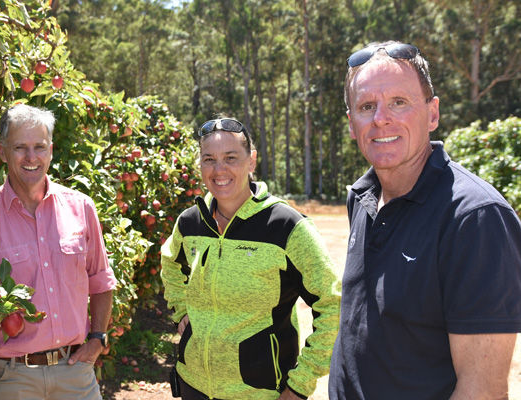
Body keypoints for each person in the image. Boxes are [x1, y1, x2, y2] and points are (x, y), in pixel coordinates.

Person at [328, 41, 521, 399]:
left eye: (399, 102)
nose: (381, 118)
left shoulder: (475, 218)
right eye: (366, 106)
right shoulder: (361, 197)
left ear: (432, 114)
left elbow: (482, 390)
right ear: (352, 124)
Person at [160, 117, 341, 400]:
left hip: (260, 392)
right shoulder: (191, 222)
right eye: (209, 159)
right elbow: (170, 262)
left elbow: (334, 305)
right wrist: (181, 310)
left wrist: (300, 385)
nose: (219, 170)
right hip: (192, 384)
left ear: (251, 161)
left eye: (230, 157)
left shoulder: (286, 227)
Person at [0, 104, 116, 400]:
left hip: (75, 372)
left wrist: (97, 337)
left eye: (39, 147)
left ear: (51, 151)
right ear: (3, 152)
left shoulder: (81, 207)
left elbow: (101, 280)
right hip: (13, 377)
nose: (31, 158)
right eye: (20, 148)